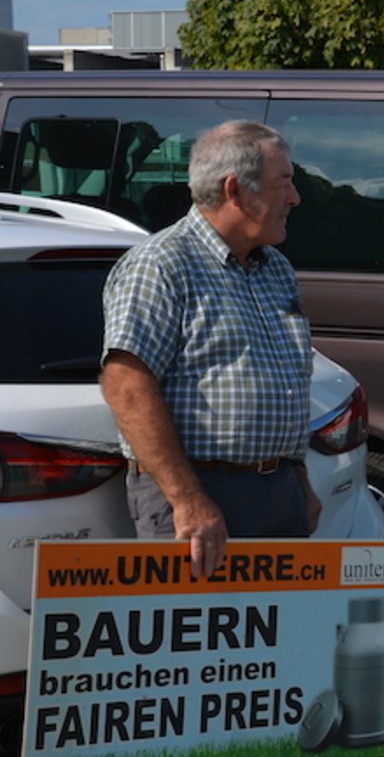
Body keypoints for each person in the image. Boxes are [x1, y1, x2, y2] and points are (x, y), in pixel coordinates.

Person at [102, 120, 320, 580]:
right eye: (285, 183)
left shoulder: (274, 268)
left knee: (278, 643)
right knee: (195, 646)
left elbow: (285, 375)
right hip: (200, 494)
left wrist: (297, 479)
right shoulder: (161, 264)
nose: (295, 198)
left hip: (277, 492)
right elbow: (126, 385)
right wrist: (188, 499)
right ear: (235, 190)